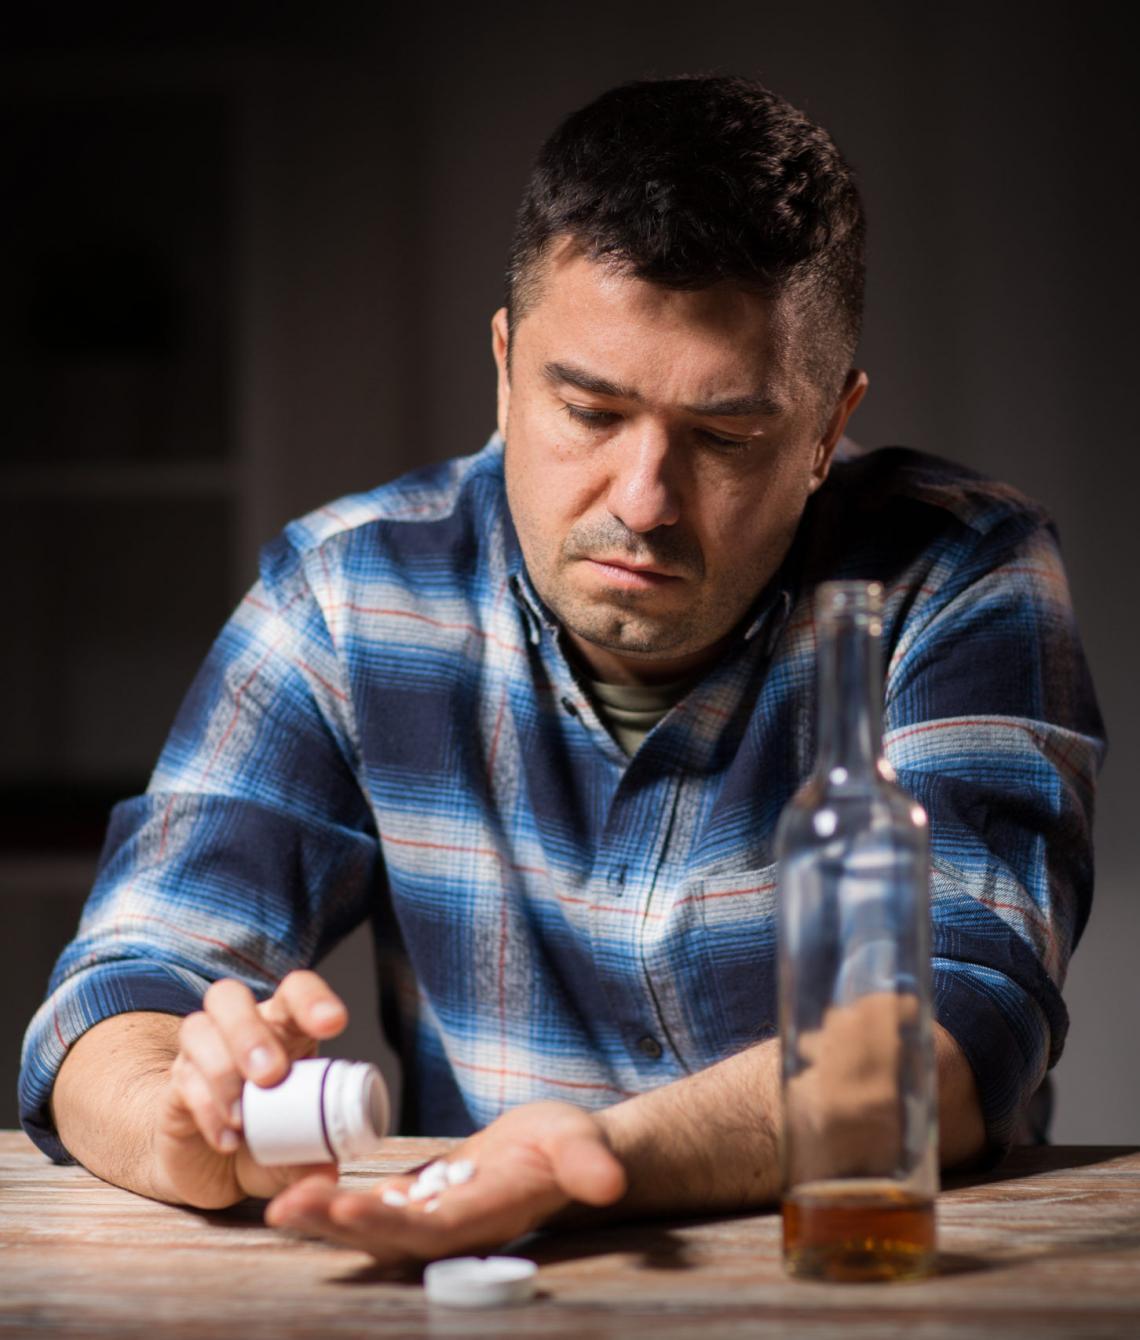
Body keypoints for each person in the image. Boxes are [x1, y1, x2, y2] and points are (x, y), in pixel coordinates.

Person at [20, 75, 1104, 1266]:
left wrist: (582, 1165)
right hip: (484, 1282)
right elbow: (119, 981)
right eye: (589, 409)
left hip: (854, 1275)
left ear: (826, 430)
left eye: (727, 438)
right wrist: (171, 1115)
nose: (642, 502)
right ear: (503, 362)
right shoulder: (345, 591)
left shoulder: (960, 572)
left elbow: (962, 1025)